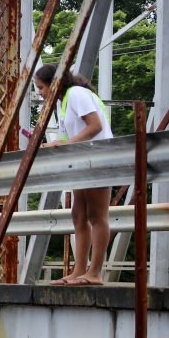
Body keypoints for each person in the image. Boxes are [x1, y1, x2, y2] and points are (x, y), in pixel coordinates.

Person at [34, 64, 113, 286]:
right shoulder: (65, 100)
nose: (39, 92)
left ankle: (95, 272)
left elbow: (95, 126)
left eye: (41, 87)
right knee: (78, 214)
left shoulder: (77, 94)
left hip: (98, 158)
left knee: (97, 215)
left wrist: (66, 143)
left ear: (54, 84)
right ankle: (79, 270)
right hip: (83, 161)